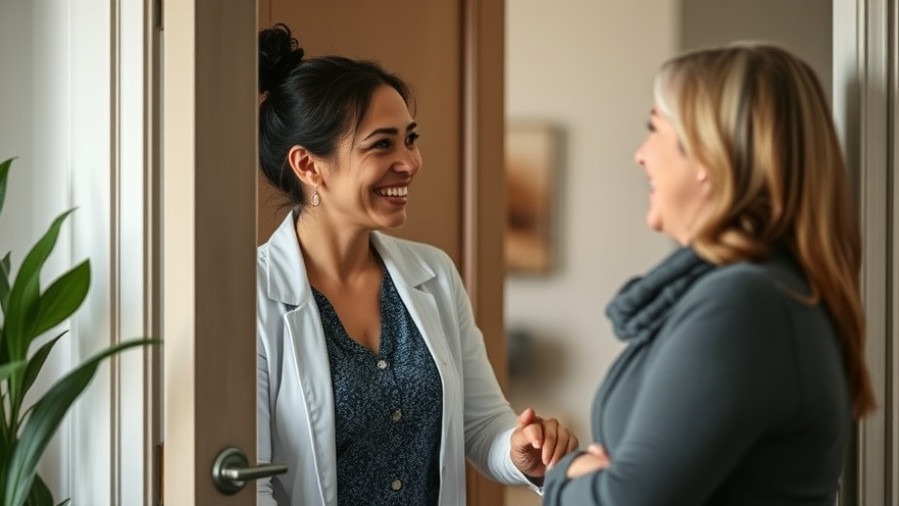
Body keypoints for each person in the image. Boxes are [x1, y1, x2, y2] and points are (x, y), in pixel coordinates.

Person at [255, 24, 578, 506]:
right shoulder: (253, 295)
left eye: (410, 139)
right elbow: (253, 484)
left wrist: (518, 452)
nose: (410, 162)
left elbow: (482, 424)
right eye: (382, 144)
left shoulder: (435, 273)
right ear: (307, 165)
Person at [542, 43, 877, 505]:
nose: (640, 155)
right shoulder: (754, 292)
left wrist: (563, 476)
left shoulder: (744, 304)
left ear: (707, 155)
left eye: (654, 129)